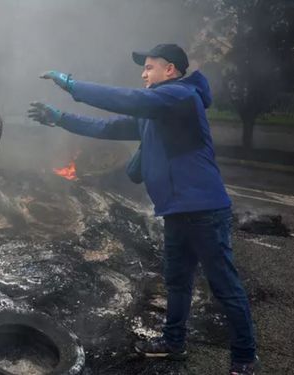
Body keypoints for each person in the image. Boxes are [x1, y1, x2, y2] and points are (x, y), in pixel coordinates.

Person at [28, 44, 257, 375]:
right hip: (176, 211)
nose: (143, 73)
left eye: (150, 67)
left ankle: (245, 358)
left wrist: (73, 85)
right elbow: (108, 128)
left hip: (205, 211)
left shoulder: (181, 96)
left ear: (171, 70)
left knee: (225, 286)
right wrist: (60, 118)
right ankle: (173, 344)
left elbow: (129, 99)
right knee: (177, 282)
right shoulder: (154, 112)